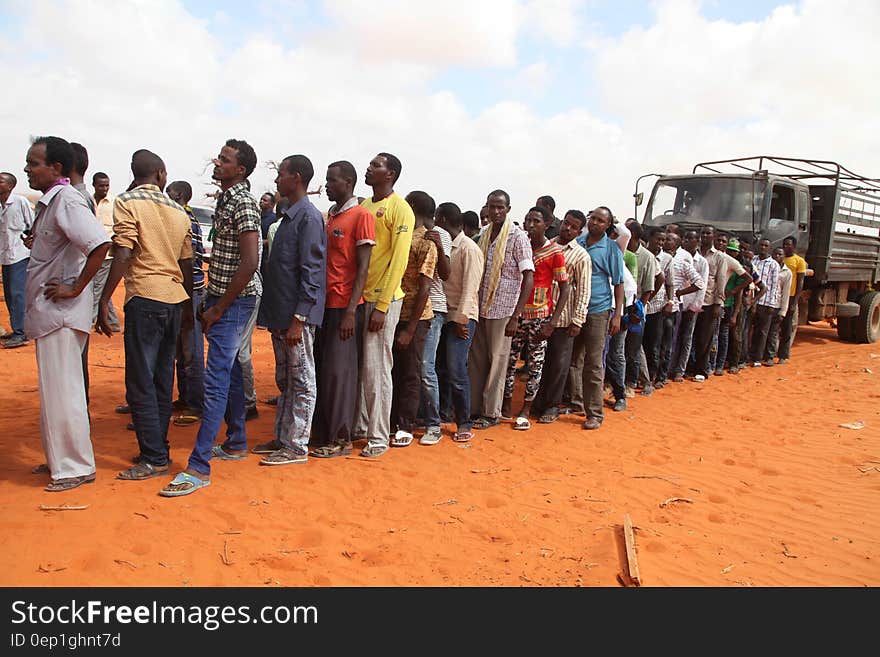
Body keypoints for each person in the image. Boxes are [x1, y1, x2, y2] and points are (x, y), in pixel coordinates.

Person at [161, 138, 261, 497]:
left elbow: (250, 263)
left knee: (216, 377)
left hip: (235, 303)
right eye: (219, 157)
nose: (217, 163)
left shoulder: (245, 204)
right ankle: (235, 441)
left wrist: (219, 307)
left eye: (225, 159)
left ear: (241, 170)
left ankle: (199, 467)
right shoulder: (227, 200)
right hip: (223, 298)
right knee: (230, 370)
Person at [95, 150, 193, 481]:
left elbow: (122, 251)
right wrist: (189, 309)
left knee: (140, 381)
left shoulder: (126, 202)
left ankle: (153, 456)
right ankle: (157, 448)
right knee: (162, 379)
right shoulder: (179, 211)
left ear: (135, 173)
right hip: (174, 300)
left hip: (145, 297)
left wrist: (104, 299)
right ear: (161, 174)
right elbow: (187, 264)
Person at [24, 136, 111, 491]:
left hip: (61, 313)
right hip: (51, 314)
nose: (28, 169)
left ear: (55, 168)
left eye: (34, 163)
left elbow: (100, 244)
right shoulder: (54, 202)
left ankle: (75, 467)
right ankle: (61, 461)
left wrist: (75, 288)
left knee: (65, 392)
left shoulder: (68, 200)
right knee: (54, 392)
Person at [251, 155, 326, 466]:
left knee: (303, 380)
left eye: (281, 174)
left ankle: (296, 446)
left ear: (296, 178)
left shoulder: (308, 218)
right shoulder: (289, 217)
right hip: (281, 315)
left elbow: (313, 272)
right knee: (286, 379)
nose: (277, 179)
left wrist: (299, 318)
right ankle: (283, 436)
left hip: (297, 318)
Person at [308, 161, 374, 458]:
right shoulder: (332, 215)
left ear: (347, 182)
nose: (327, 186)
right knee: (323, 369)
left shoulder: (361, 216)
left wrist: (350, 311)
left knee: (340, 373)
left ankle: (341, 438)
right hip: (325, 304)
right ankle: (322, 433)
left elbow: (362, 268)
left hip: (345, 307)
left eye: (332, 181)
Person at [353, 153, 415, 458]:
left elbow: (399, 260)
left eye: (375, 165)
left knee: (378, 368)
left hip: (383, 299)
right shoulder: (364, 206)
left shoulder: (400, 209)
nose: (368, 167)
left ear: (389, 174)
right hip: (359, 298)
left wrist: (381, 304)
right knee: (363, 367)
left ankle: (378, 438)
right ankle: (362, 426)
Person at [468, 190, 534, 430]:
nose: (495, 211)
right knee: (476, 362)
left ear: (507, 209)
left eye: (500, 207)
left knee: (497, 362)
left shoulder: (517, 237)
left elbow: (528, 276)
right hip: (482, 307)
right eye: (492, 207)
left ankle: (491, 412)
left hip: (504, 309)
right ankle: (474, 408)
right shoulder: (484, 234)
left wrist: (516, 315)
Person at [501, 205, 569, 429]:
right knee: (509, 361)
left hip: (539, 315)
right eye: (528, 220)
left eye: (536, 222)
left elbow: (565, 288)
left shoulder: (555, 253)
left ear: (547, 225)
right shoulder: (521, 246)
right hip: (515, 313)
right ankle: (506, 403)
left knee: (534, 363)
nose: (530, 225)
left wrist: (552, 322)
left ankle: (526, 408)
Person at [388, 191, 437, 448]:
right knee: (394, 369)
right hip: (394, 309)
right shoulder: (401, 234)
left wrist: (410, 328)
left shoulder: (426, 242)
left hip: (415, 317)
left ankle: (406, 424)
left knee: (410, 371)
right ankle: (393, 420)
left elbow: (425, 287)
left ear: (413, 206)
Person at [533, 210, 590, 423]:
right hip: (541, 312)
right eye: (566, 223)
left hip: (564, 318)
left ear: (579, 231)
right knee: (539, 361)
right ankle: (537, 402)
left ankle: (552, 406)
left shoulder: (581, 256)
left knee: (559, 363)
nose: (567, 228)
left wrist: (578, 320)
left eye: (573, 227)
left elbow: (584, 290)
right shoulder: (545, 246)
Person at [571, 207, 624, 430]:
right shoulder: (578, 242)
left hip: (598, 310)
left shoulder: (611, 249)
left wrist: (617, 315)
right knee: (574, 360)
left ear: (607, 225)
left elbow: (618, 283)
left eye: (601, 221)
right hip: (574, 309)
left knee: (593, 363)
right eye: (593, 218)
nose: (595, 223)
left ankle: (594, 413)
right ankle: (576, 404)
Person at [435, 203, 484, 443]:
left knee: (456, 369)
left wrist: (461, 319)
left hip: (461, 316)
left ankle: (464, 421)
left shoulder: (469, 249)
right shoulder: (447, 246)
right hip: (444, 313)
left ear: (443, 220)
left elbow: (470, 288)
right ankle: (445, 412)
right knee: (442, 367)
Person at [166, 181, 207, 426]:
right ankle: (185, 397)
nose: (166, 195)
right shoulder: (180, 216)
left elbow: (189, 262)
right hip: (181, 290)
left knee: (191, 351)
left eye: (169, 192)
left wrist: (188, 300)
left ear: (179, 194)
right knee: (180, 350)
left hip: (189, 291)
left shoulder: (184, 219)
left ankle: (196, 403)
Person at [692, 225, 747, 381]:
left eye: (708, 233)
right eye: (702, 233)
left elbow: (720, 281)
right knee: (691, 337)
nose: (705, 235)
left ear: (713, 236)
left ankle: (702, 370)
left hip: (709, 302)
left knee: (705, 338)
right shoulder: (693, 253)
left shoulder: (719, 257)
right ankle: (690, 367)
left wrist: (719, 303)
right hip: (691, 302)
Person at [418, 200, 452, 445]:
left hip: (435, 307)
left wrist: (439, 247)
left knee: (425, 366)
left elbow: (446, 273)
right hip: (413, 308)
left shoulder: (441, 235)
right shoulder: (412, 232)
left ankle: (433, 423)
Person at [668, 230, 707, 383]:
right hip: (678, 303)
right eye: (687, 237)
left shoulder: (701, 261)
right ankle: (670, 367)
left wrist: (695, 306)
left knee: (687, 338)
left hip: (691, 304)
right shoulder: (678, 255)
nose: (689, 240)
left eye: (693, 238)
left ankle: (680, 370)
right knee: (675, 337)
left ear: (698, 241)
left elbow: (701, 285)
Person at [0, 172, 33, 349]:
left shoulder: (20, 202)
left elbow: (31, 225)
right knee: (10, 295)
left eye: (1, 181)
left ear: (10, 185)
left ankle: (22, 333)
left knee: (18, 294)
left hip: (20, 255)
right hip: (5, 256)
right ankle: (17, 329)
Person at [624, 219, 657, 396]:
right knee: (622, 348)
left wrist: (640, 309)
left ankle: (632, 382)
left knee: (634, 349)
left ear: (633, 236)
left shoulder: (647, 257)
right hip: (622, 305)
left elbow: (649, 286)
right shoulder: (620, 251)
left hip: (636, 307)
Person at [90, 172, 120, 332]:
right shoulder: (87, 201)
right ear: (94, 185)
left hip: (107, 253)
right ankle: (113, 322)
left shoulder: (114, 202)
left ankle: (90, 320)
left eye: (107, 185)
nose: (104, 188)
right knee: (101, 287)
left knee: (96, 287)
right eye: (101, 185)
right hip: (90, 251)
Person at [654, 231, 681, 385]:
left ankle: (661, 376)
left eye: (667, 240)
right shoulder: (646, 254)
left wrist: (670, 301)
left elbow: (670, 283)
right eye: (661, 239)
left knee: (663, 344)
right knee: (651, 343)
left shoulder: (668, 259)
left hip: (663, 308)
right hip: (645, 307)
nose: (664, 242)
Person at [749, 238, 781, 367]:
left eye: (765, 245)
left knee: (762, 332)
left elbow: (774, 286)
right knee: (749, 330)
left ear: (769, 248)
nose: (763, 247)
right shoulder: (753, 260)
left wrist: (772, 305)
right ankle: (748, 355)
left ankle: (757, 358)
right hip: (752, 301)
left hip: (765, 303)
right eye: (761, 245)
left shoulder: (773, 264)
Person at [778, 236, 807, 364]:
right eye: (784, 244)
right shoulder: (779, 258)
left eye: (788, 244)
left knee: (787, 327)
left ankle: (783, 355)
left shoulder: (799, 261)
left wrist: (795, 302)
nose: (786, 247)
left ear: (794, 246)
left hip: (790, 296)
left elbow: (800, 282)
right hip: (777, 296)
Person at [765, 247, 793, 364]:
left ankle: (770, 356)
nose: (777, 256)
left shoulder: (787, 272)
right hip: (766, 303)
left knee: (773, 332)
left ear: (784, 257)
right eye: (775, 254)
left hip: (777, 305)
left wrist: (783, 311)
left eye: (780, 254)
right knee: (763, 331)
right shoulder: (768, 267)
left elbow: (786, 293)